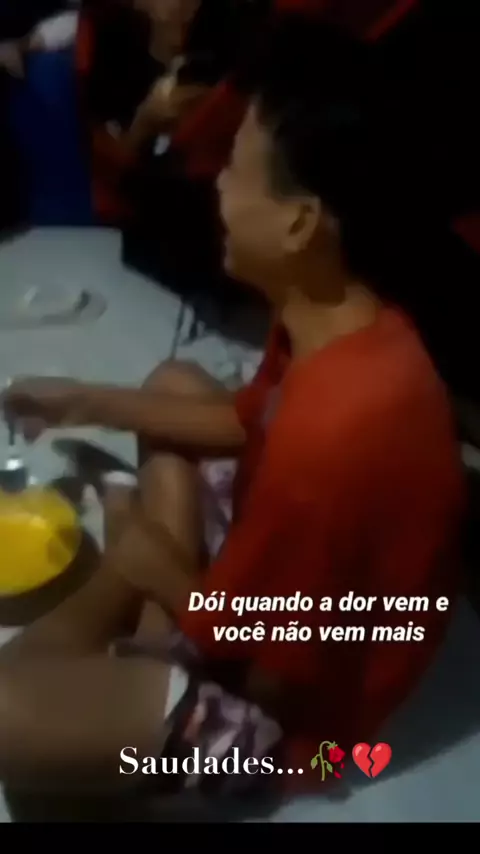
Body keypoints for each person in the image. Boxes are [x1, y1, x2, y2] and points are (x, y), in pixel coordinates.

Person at [0, 17, 464, 805]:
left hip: (313, 732)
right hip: (273, 591)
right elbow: (251, 418)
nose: (214, 183)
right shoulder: (347, 320)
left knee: (12, 713)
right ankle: (144, 604)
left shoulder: (330, 443)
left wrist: (158, 576)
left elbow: (274, 668)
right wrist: (81, 398)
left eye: (235, 169)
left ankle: (143, 619)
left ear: (299, 221)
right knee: (176, 384)